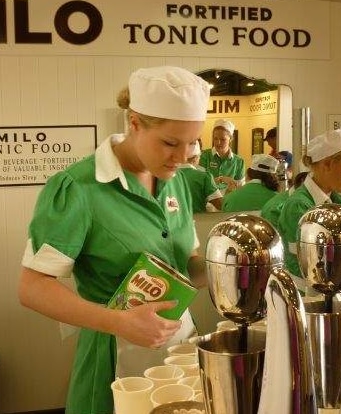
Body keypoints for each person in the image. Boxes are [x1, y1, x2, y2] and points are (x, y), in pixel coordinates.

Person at [17, 66, 210, 414]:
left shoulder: (176, 178)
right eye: (170, 142)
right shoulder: (80, 188)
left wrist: (227, 269)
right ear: (134, 123)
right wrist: (119, 322)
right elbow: (32, 287)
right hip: (114, 353)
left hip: (180, 348)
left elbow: (187, 264)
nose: (183, 157)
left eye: (193, 142)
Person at [276, 128, 341, 277]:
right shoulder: (298, 206)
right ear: (327, 164)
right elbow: (314, 264)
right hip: (306, 294)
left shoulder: (336, 199)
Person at [199, 118, 245, 194]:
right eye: (215, 138)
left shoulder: (239, 162)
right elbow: (200, 182)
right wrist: (220, 179)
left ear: (231, 139)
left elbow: (240, 188)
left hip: (230, 201)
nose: (218, 142)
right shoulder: (204, 156)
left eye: (223, 139)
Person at [178, 140, 223, 212]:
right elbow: (221, 205)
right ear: (196, 157)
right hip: (198, 221)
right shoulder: (204, 177)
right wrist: (230, 191)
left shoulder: (167, 177)